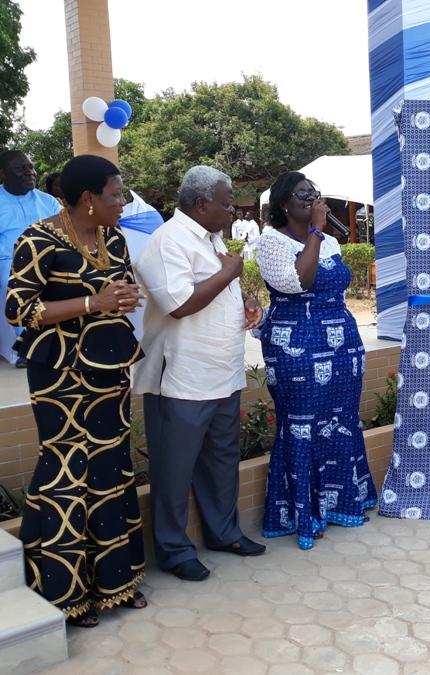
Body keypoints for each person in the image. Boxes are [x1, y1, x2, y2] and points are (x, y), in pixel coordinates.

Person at [5, 155, 146, 627]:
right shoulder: (38, 239)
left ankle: (115, 583)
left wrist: (125, 298)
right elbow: (18, 310)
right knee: (68, 472)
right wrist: (93, 302)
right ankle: (68, 593)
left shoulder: (114, 237)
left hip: (109, 370)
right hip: (60, 376)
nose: (122, 203)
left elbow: (118, 289)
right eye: (116, 195)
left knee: (111, 466)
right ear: (89, 199)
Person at [133, 166, 266, 582]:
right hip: (181, 377)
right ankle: (173, 549)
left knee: (221, 459)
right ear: (201, 203)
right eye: (226, 203)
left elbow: (215, 288)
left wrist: (242, 298)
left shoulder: (212, 240)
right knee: (175, 467)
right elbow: (180, 304)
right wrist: (230, 273)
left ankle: (223, 533)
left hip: (222, 370)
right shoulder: (166, 242)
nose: (232, 210)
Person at [254, 171, 376, 549]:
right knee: (302, 424)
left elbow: (334, 284)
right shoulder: (271, 242)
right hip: (296, 347)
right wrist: (315, 232)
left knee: (340, 421)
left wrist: (321, 235)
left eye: (315, 193)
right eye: (302, 194)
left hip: (342, 346)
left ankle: (341, 502)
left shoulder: (331, 242)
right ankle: (303, 513)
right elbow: (298, 282)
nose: (311, 200)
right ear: (283, 204)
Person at [0, 150, 61, 366]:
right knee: (11, 280)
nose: (29, 173)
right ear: (3, 174)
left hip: (49, 257)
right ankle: (25, 345)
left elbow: (65, 233)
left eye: (30, 167)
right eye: (20, 169)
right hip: (8, 260)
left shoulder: (49, 202)